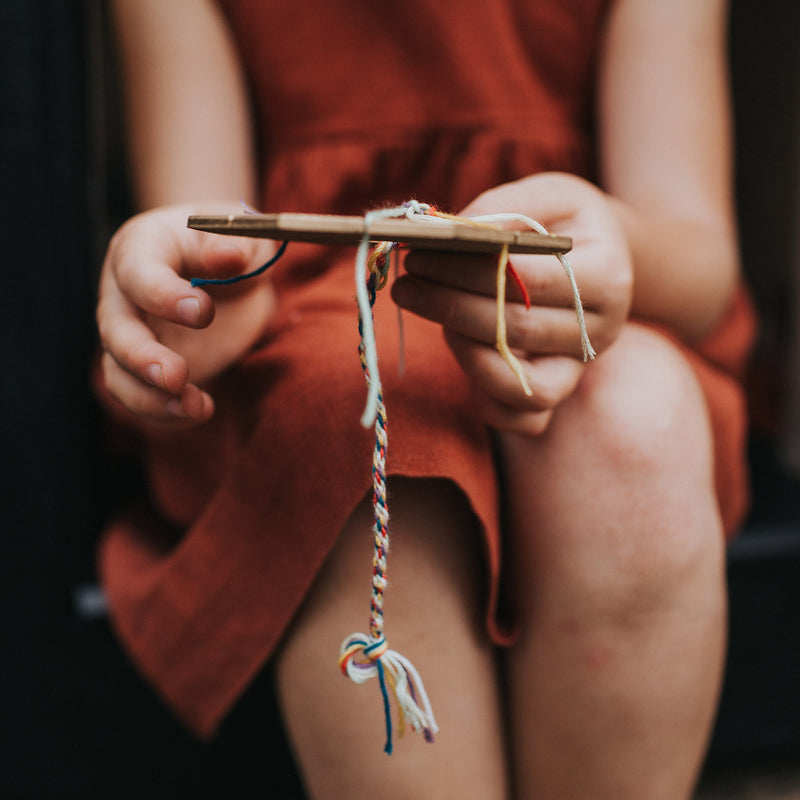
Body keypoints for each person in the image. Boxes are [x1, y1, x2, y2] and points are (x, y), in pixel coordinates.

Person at [96, 0, 755, 797]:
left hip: (587, 312)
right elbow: (221, 249)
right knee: (360, 439)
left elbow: (696, 256)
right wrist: (180, 293)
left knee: (635, 428)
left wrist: (614, 247)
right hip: (317, 329)